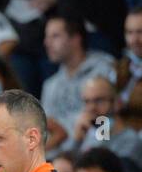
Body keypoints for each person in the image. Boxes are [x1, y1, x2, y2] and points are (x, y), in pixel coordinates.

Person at [41, 16, 115, 150]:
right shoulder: (50, 85)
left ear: (75, 39)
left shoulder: (104, 68)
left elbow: (109, 116)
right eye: (47, 37)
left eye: (55, 36)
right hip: (59, 159)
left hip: (97, 151)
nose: (47, 42)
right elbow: (47, 130)